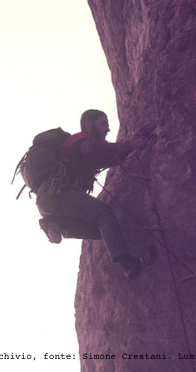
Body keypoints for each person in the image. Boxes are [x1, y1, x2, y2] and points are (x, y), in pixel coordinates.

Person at [36, 109, 156, 279]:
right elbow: (101, 150)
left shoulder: (86, 150)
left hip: (52, 199)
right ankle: (129, 265)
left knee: (105, 230)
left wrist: (135, 138)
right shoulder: (80, 139)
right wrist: (132, 144)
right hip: (55, 192)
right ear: (88, 124)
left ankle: (56, 224)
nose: (107, 129)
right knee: (104, 213)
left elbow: (112, 157)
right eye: (103, 123)